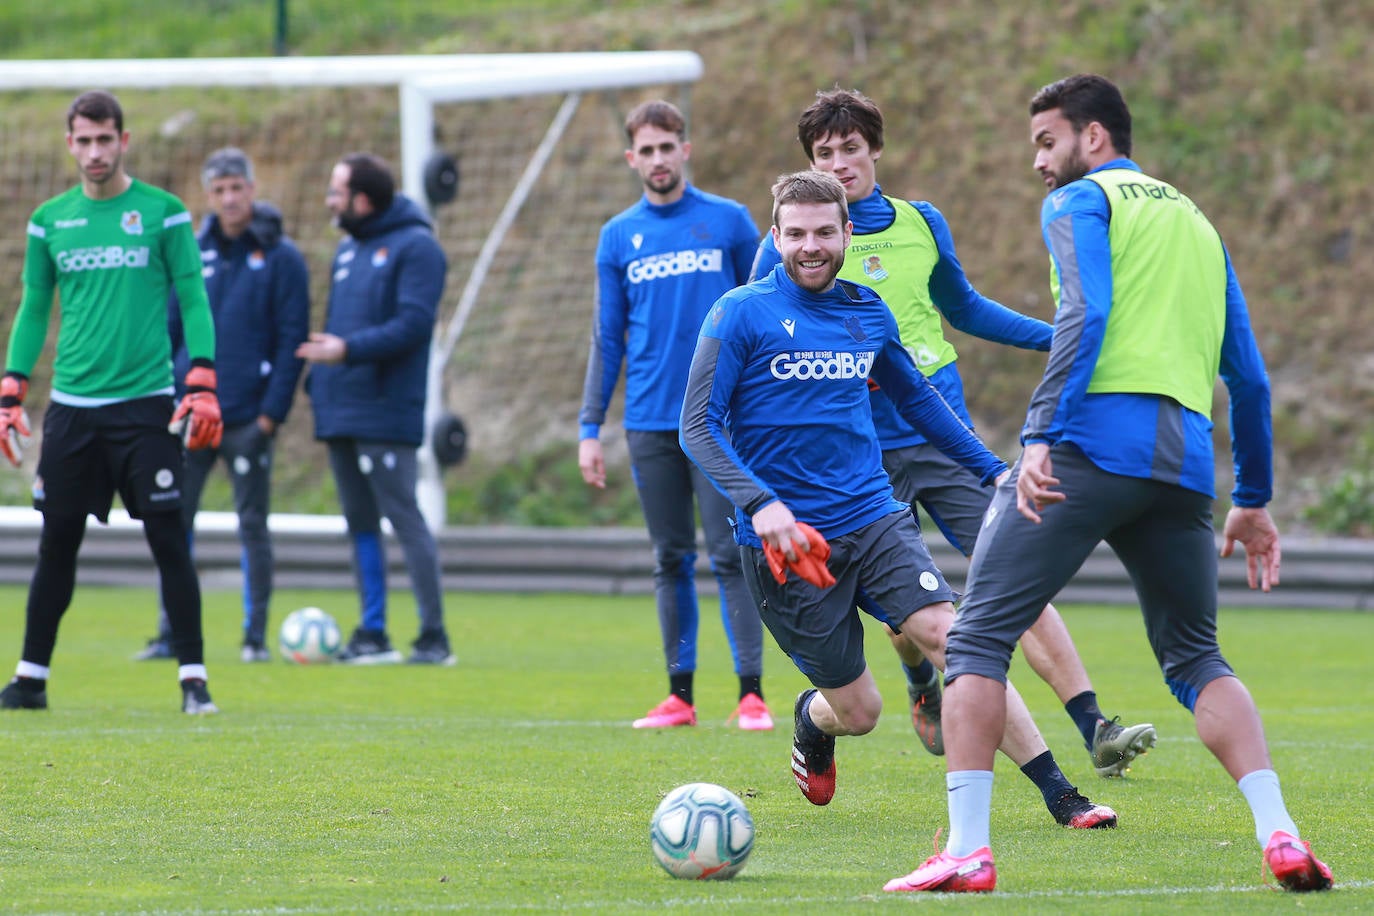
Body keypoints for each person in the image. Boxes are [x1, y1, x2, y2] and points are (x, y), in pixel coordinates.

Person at [886, 74, 1333, 894]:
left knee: (978, 637)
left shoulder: (1079, 204)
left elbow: (1083, 316)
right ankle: (1281, 834)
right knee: (1197, 656)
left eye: (1045, 141)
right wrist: (1255, 496)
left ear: (1095, 138)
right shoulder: (1198, 222)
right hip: (1185, 466)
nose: (1036, 163)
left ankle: (966, 851)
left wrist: (1040, 436)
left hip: (1089, 449)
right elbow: (1253, 380)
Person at [681, 170, 1117, 832]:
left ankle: (1062, 795)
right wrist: (762, 505)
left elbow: (916, 399)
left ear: (846, 234)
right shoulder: (739, 312)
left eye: (825, 232)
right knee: (859, 712)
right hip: (788, 547)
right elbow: (698, 427)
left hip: (874, 516)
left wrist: (990, 471)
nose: (810, 246)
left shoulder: (865, 312)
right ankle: (812, 716)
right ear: (775, 236)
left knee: (956, 638)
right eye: (795, 233)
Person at [751, 87, 1156, 776]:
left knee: (1017, 571)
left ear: (875, 149)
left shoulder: (920, 222)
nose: (841, 163)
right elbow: (761, 335)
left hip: (940, 437)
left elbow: (964, 308)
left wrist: (1054, 338)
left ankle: (1095, 726)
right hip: (857, 462)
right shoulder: (792, 243)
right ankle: (919, 686)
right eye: (825, 154)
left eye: (851, 148)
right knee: (909, 616)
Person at [0, 90, 223, 715]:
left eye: (106, 139)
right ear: (69, 144)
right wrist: (12, 383)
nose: (95, 151)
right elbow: (35, 306)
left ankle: (193, 679)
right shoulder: (50, 220)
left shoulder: (165, 213)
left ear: (124, 141)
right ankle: (30, 679)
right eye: (84, 140)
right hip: (72, 410)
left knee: (169, 540)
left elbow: (194, 298)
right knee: (56, 543)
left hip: (147, 407)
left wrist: (201, 376)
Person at [578, 100, 772, 730]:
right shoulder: (618, 236)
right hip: (648, 422)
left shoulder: (729, 221)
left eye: (669, 146)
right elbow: (607, 339)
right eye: (647, 150)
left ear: (685, 149)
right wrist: (589, 427)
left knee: (730, 551)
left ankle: (751, 695)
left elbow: (763, 309)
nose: (659, 159)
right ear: (632, 158)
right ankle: (680, 697)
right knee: (669, 557)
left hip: (717, 421)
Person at [135, 147, 310, 664]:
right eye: (220, 190)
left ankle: (253, 638)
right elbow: (168, 330)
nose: (230, 199)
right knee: (173, 522)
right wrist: (168, 398)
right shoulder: (190, 249)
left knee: (252, 525)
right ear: (208, 196)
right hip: (192, 416)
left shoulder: (282, 257)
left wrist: (270, 416)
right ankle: (173, 634)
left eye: (238, 188)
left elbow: (290, 341)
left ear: (253, 190)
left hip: (248, 419)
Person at [296, 152, 454, 666]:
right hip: (341, 408)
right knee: (358, 521)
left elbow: (412, 325)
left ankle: (434, 638)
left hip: (387, 411)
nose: (329, 201)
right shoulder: (348, 249)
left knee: (404, 517)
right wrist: (320, 380)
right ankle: (373, 632)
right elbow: (337, 327)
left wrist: (346, 350)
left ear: (362, 200)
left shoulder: (418, 248)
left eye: (336, 192)